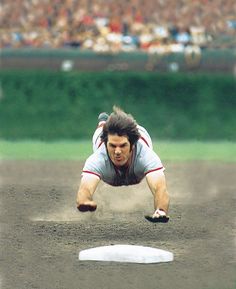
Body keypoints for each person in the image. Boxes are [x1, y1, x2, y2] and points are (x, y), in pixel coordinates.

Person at [76, 106, 170, 222]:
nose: (117, 152)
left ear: (132, 145)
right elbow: (85, 188)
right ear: (106, 144)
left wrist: (160, 210)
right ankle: (103, 122)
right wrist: (85, 200)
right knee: (99, 131)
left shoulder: (146, 155)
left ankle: (119, 120)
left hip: (139, 134)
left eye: (123, 145)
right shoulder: (98, 158)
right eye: (112, 146)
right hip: (103, 138)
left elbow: (159, 188)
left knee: (129, 126)